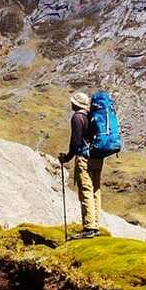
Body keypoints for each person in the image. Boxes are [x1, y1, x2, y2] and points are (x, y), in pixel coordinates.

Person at [59, 90, 105, 238]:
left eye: (72, 102)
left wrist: (67, 158)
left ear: (75, 103)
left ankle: (89, 228)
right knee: (95, 190)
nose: (71, 103)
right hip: (98, 157)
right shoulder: (92, 117)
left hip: (84, 158)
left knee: (86, 190)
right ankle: (95, 225)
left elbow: (76, 142)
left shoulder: (77, 117)